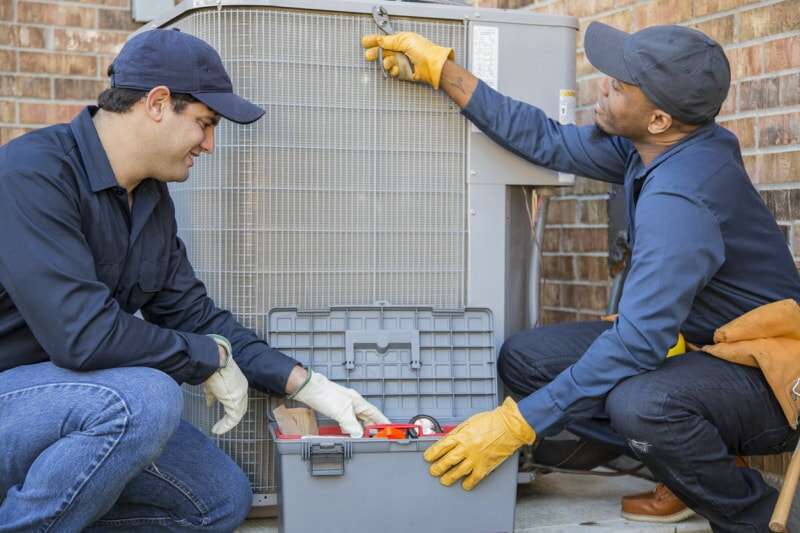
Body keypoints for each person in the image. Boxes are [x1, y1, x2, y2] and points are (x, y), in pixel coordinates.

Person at [362, 22, 800, 532]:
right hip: (700, 346)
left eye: (617, 85)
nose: (602, 86)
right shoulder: (657, 145)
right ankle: (687, 467)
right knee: (525, 360)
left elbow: (637, 344)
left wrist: (514, 426)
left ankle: (755, 515)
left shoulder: (681, 198)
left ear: (659, 118)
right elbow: (547, 140)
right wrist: (444, 71)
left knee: (640, 406)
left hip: (768, 381)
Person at [0, 29, 388, 532]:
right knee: (145, 397)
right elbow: (82, 336)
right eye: (204, 123)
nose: (209, 144)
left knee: (220, 500)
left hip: (75, 412)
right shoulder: (33, 174)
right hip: (15, 403)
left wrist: (307, 384)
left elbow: (195, 315)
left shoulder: (150, 199)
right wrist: (207, 356)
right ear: (158, 103)